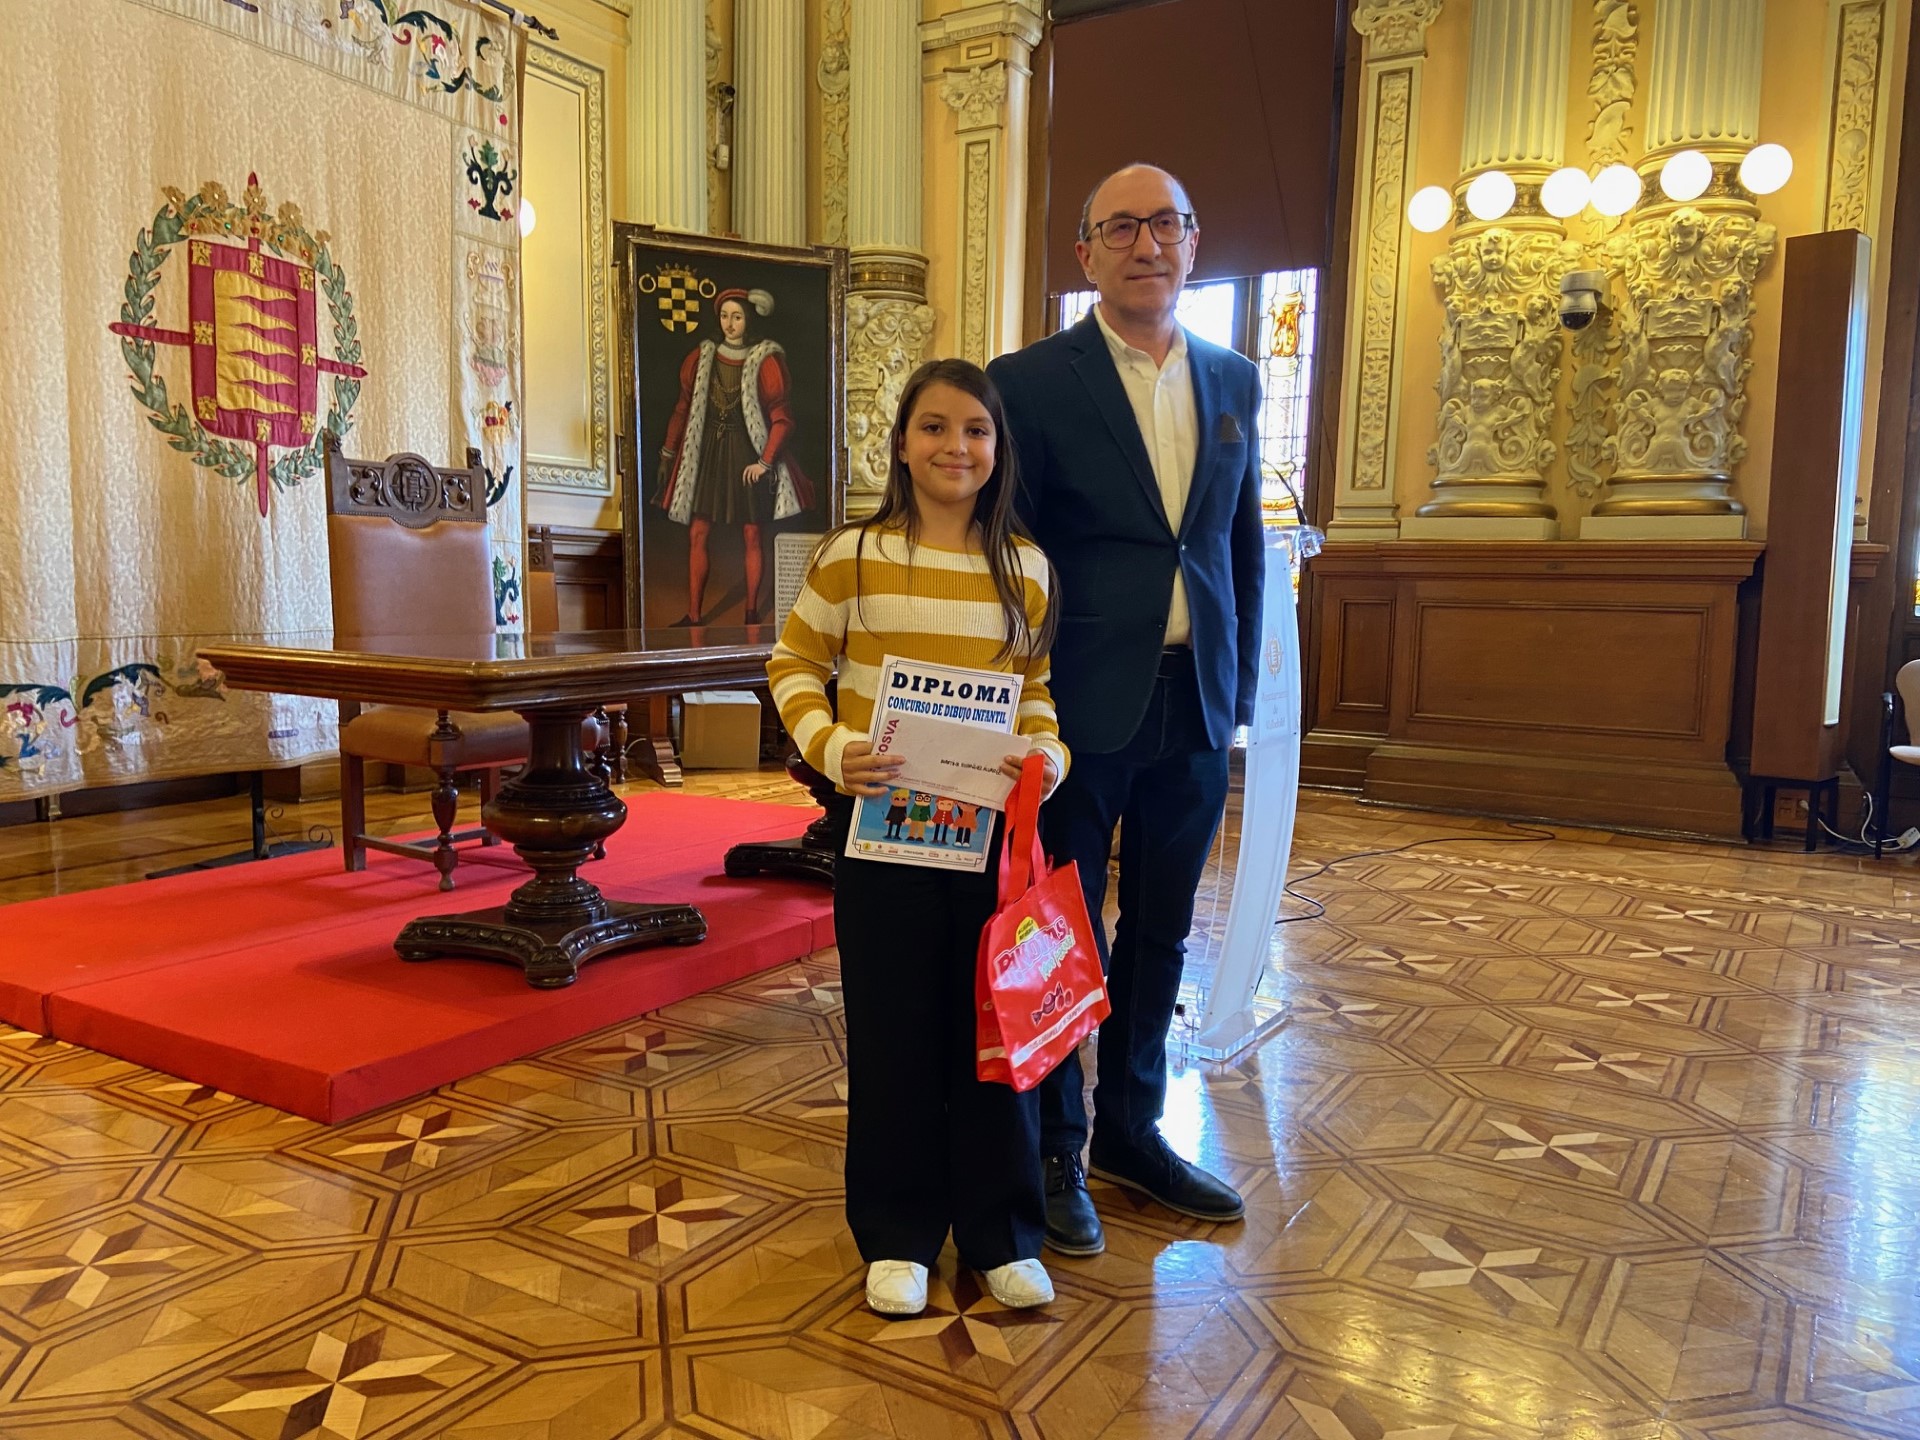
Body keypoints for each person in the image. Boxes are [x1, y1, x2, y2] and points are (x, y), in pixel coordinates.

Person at [986, 164, 1262, 1257]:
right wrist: (1016, 700)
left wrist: (1236, 695)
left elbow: (1235, 546)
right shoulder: (1028, 382)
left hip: (1194, 704)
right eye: (1122, 228)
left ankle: (1131, 1133)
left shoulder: (1234, 380)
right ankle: (1057, 1149)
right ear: (1085, 253)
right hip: (1073, 706)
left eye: (1166, 225)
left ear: (1193, 242)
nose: (1148, 245)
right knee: (1060, 929)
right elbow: (1008, 549)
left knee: (1159, 928)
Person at [767, 357, 1069, 1317]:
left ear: (998, 449)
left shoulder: (1026, 568)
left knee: (995, 1032)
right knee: (893, 1032)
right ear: (901, 443)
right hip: (883, 840)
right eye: (934, 427)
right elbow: (793, 663)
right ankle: (897, 1234)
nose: (955, 447)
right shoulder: (852, 556)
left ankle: (1002, 1234)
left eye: (976, 430)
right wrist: (831, 748)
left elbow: (1034, 693)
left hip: (990, 845)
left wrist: (1048, 755)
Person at [655, 287, 813, 626]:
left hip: (746, 452)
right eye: (724, 316)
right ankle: (694, 615)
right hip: (708, 453)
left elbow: (782, 419)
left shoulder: (765, 360)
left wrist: (764, 462)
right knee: (698, 532)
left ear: (748, 319)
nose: (729, 323)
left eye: (737, 317)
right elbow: (682, 408)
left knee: (752, 534)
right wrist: (668, 450)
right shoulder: (701, 358)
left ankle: (751, 613)